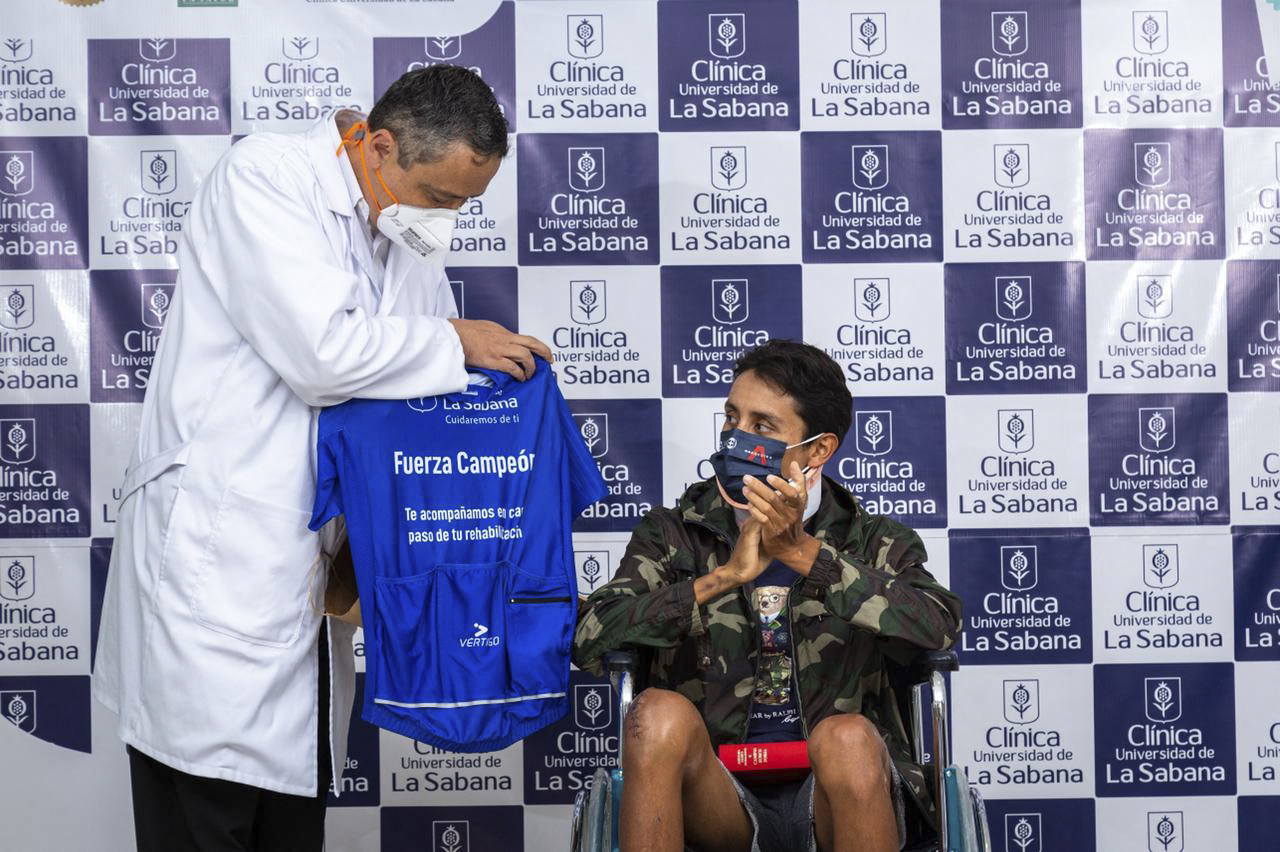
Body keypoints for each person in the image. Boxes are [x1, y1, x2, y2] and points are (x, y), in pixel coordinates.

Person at [92, 65, 550, 851]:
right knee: (203, 811)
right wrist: (456, 342)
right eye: (440, 197)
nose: (447, 220)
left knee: (289, 814)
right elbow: (322, 355)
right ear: (379, 146)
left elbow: (414, 406)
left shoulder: (408, 247)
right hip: (220, 562)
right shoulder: (265, 178)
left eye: (465, 206)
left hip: (312, 581)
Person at [573, 340, 963, 852]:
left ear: (818, 450)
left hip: (835, 794)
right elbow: (590, 635)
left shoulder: (874, 541)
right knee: (657, 713)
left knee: (848, 737)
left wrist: (805, 554)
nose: (737, 438)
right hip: (715, 794)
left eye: (763, 427)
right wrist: (724, 577)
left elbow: (938, 624)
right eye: (732, 418)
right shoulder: (673, 534)